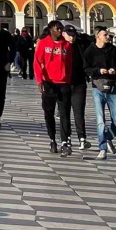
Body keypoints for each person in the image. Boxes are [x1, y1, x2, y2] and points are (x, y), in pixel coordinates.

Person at [80, 27, 116, 160]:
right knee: (101, 121)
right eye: (105, 35)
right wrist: (99, 71)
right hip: (97, 87)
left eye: (108, 35)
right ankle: (102, 148)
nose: (108, 37)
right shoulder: (90, 51)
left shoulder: (113, 50)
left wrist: (113, 70)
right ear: (97, 36)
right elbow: (86, 69)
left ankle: (108, 137)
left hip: (111, 88)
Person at [34, 20, 73, 155]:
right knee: (48, 113)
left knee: (64, 113)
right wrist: (39, 81)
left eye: (61, 28)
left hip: (63, 83)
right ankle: (52, 139)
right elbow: (37, 62)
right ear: (51, 29)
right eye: (57, 28)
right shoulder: (43, 43)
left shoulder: (67, 45)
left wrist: (68, 79)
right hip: (48, 83)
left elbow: (69, 63)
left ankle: (65, 142)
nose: (60, 30)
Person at [61, 26, 89, 151]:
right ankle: (66, 138)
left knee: (79, 111)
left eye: (73, 35)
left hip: (79, 83)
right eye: (69, 34)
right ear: (63, 34)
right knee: (64, 112)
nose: (71, 37)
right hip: (63, 84)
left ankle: (82, 137)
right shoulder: (60, 46)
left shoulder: (80, 46)